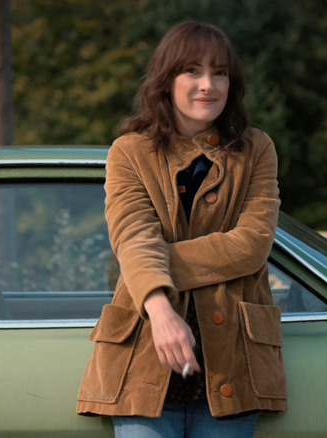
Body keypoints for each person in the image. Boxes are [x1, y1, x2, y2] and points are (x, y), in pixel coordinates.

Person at [77, 20, 286, 437]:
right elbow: (133, 235)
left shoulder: (256, 148)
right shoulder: (130, 151)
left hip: (232, 368)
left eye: (220, 72)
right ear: (166, 79)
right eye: (192, 70)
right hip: (142, 362)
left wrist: (146, 267)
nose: (208, 84)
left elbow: (252, 245)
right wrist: (159, 309)